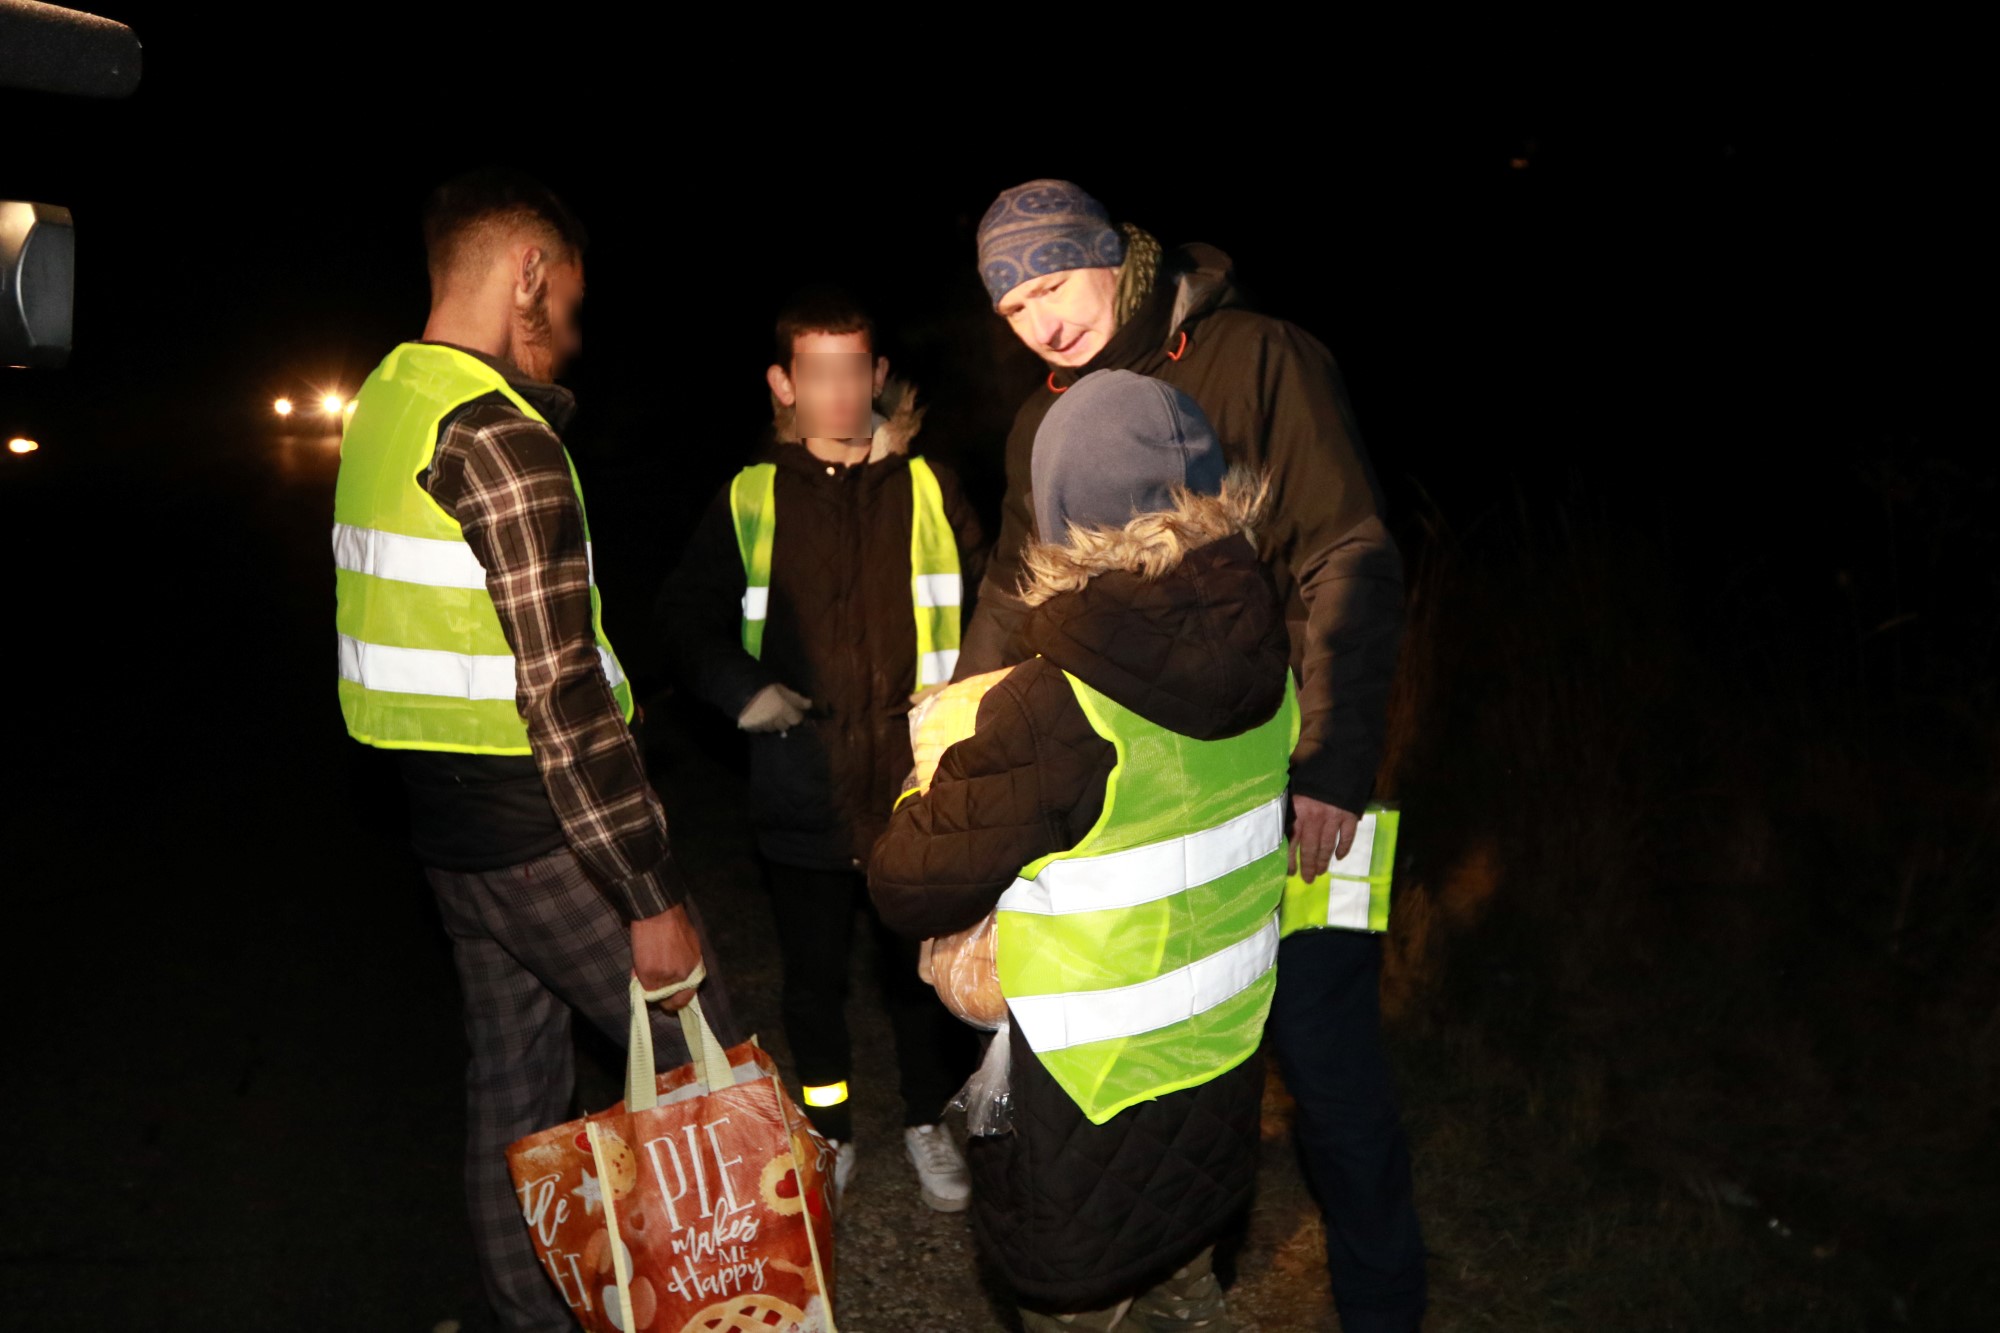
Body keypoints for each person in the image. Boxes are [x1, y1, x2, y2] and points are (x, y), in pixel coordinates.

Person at [959, 179, 1426, 1331]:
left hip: (1285, 792)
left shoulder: (1259, 358)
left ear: (1110, 255)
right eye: (1012, 306)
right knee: (1169, 1067)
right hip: (1145, 824)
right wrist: (957, 736)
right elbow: (1013, 594)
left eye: (1052, 282)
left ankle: (1382, 1306)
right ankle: (1169, 1265)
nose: (1041, 320)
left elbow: (1347, 554)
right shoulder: (1039, 422)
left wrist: (1329, 766)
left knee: (1328, 1072)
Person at [331, 168, 735, 1333]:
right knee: (709, 1062)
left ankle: (530, 1313)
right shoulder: (499, 438)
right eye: (569, 298)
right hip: (544, 831)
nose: (572, 328)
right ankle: (735, 1300)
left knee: (513, 1087)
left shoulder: (385, 405)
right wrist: (648, 893)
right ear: (527, 274)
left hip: (444, 832)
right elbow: (562, 695)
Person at [872, 370, 1295, 1329]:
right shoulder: (1273, 670)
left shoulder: (1049, 707)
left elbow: (906, 880)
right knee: (1188, 1293)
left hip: (1087, 1112)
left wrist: (930, 765)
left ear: (1063, 511)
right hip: (1219, 1080)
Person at [655, 289, 984, 1210]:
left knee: (919, 973)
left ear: (878, 376)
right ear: (783, 383)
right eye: (817, 372)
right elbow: (683, 615)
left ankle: (926, 1118)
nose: (838, 392)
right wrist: (742, 689)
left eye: (853, 370)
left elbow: (994, 602)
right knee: (812, 980)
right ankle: (830, 1129)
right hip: (801, 784)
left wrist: (963, 695)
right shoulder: (751, 494)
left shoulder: (930, 485)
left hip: (917, 786)